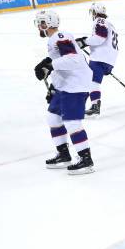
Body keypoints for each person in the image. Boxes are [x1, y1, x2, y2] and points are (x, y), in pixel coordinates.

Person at [33, 10, 95, 174]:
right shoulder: (54, 39)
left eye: (42, 23)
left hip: (76, 86)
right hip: (65, 86)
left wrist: (50, 65)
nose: (39, 26)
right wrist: (54, 86)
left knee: (72, 122)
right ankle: (63, 154)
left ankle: (86, 159)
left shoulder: (60, 36)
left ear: (49, 23)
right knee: (53, 118)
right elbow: (62, 64)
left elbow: (73, 59)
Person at [75, 3, 119, 117]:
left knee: (91, 81)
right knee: (91, 81)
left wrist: (84, 42)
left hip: (99, 58)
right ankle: (88, 105)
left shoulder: (99, 20)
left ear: (95, 12)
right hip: (109, 60)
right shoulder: (110, 25)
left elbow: (100, 37)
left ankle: (93, 106)